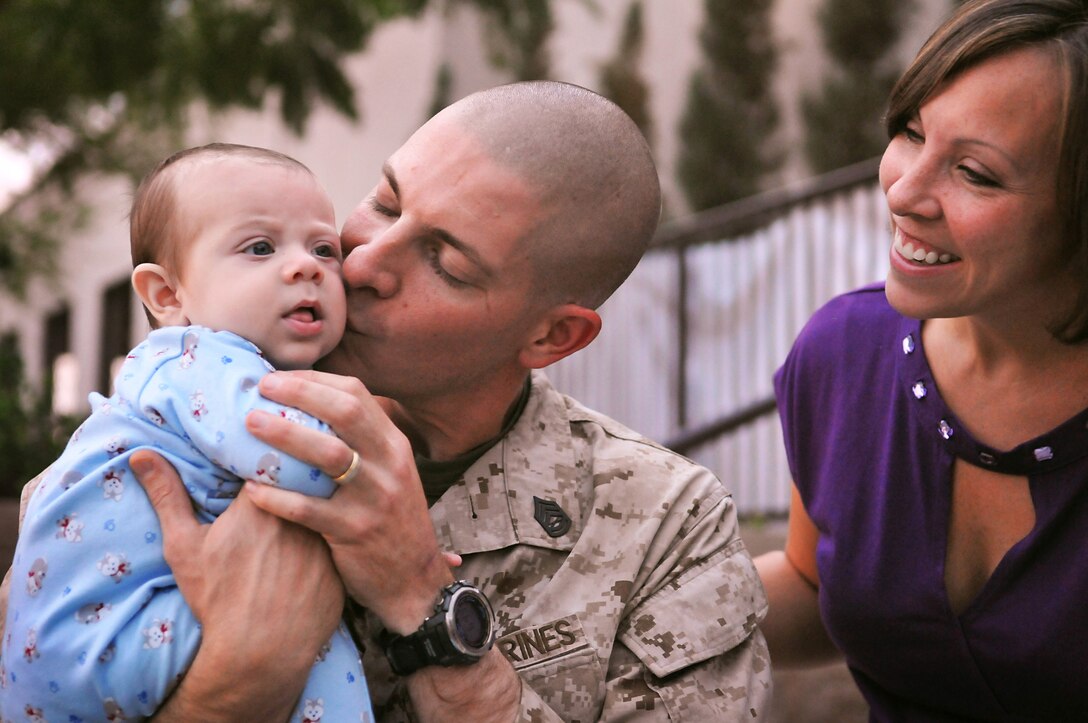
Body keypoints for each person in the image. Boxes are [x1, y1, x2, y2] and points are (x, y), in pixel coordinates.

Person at [0, 81, 773, 720]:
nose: (361, 259)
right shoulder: (152, 439)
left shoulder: (669, 526)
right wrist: (234, 687)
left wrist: (423, 598)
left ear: (551, 336)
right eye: (383, 199)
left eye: (444, 261)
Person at [755, 0, 1088, 720]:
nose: (902, 192)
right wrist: (629, 600)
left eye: (974, 172)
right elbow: (815, 588)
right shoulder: (844, 353)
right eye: (911, 132)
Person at [0, 144, 373, 721]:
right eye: (260, 247)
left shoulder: (184, 377)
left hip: (63, 652)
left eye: (325, 248)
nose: (308, 266)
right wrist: (376, 444)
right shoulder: (197, 358)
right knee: (306, 638)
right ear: (167, 295)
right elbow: (303, 463)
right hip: (115, 632)